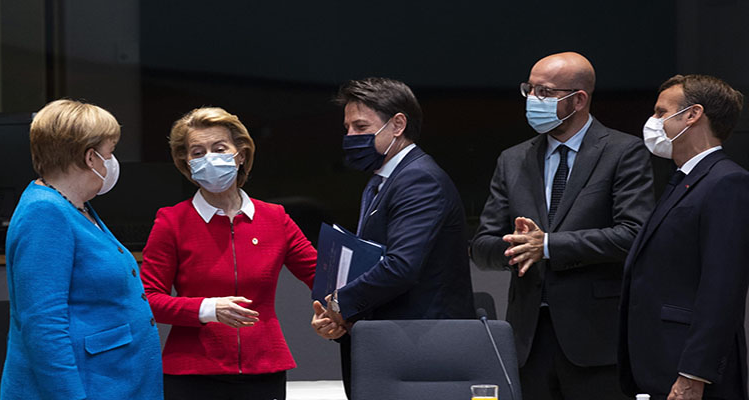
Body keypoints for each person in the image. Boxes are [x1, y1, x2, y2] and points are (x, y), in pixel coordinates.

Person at [470, 52, 654, 400]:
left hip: (596, 339)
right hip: (528, 340)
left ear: (579, 99)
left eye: (545, 92)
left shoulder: (623, 152)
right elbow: (482, 247)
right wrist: (517, 246)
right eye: (529, 89)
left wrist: (549, 246)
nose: (532, 100)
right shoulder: (513, 159)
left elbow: (633, 234)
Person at [311, 77, 475, 397]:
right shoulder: (382, 181)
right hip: (390, 346)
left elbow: (400, 266)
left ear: (398, 124)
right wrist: (344, 320)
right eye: (347, 129)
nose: (350, 137)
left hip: (419, 351)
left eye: (360, 127)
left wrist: (339, 304)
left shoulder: (419, 179)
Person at [140, 107, 317, 400]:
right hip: (192, 374)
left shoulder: (275, 217)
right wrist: (208, 309)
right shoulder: (171, 221)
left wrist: (335, 310)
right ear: (186, 162)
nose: (209, 158)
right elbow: (148, 299)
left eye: (219, 148)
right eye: (197, 152)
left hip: (264, 368)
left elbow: (321, 275)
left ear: (241, 154)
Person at [0, 99, 162, 399]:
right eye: (110, 152)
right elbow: (43, 326)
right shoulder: (45, 213)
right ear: (90, 157)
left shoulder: (76, 206)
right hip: (87, 386)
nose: (112, 162)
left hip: (112, 380)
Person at [619, 75, 749, 400]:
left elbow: (722, 289)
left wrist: (694, 374)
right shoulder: (684, 180)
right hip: (656, 366)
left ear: (692, 115)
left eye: (661, 112)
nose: (654, 122)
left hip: (690, 376)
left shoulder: (727, 182)